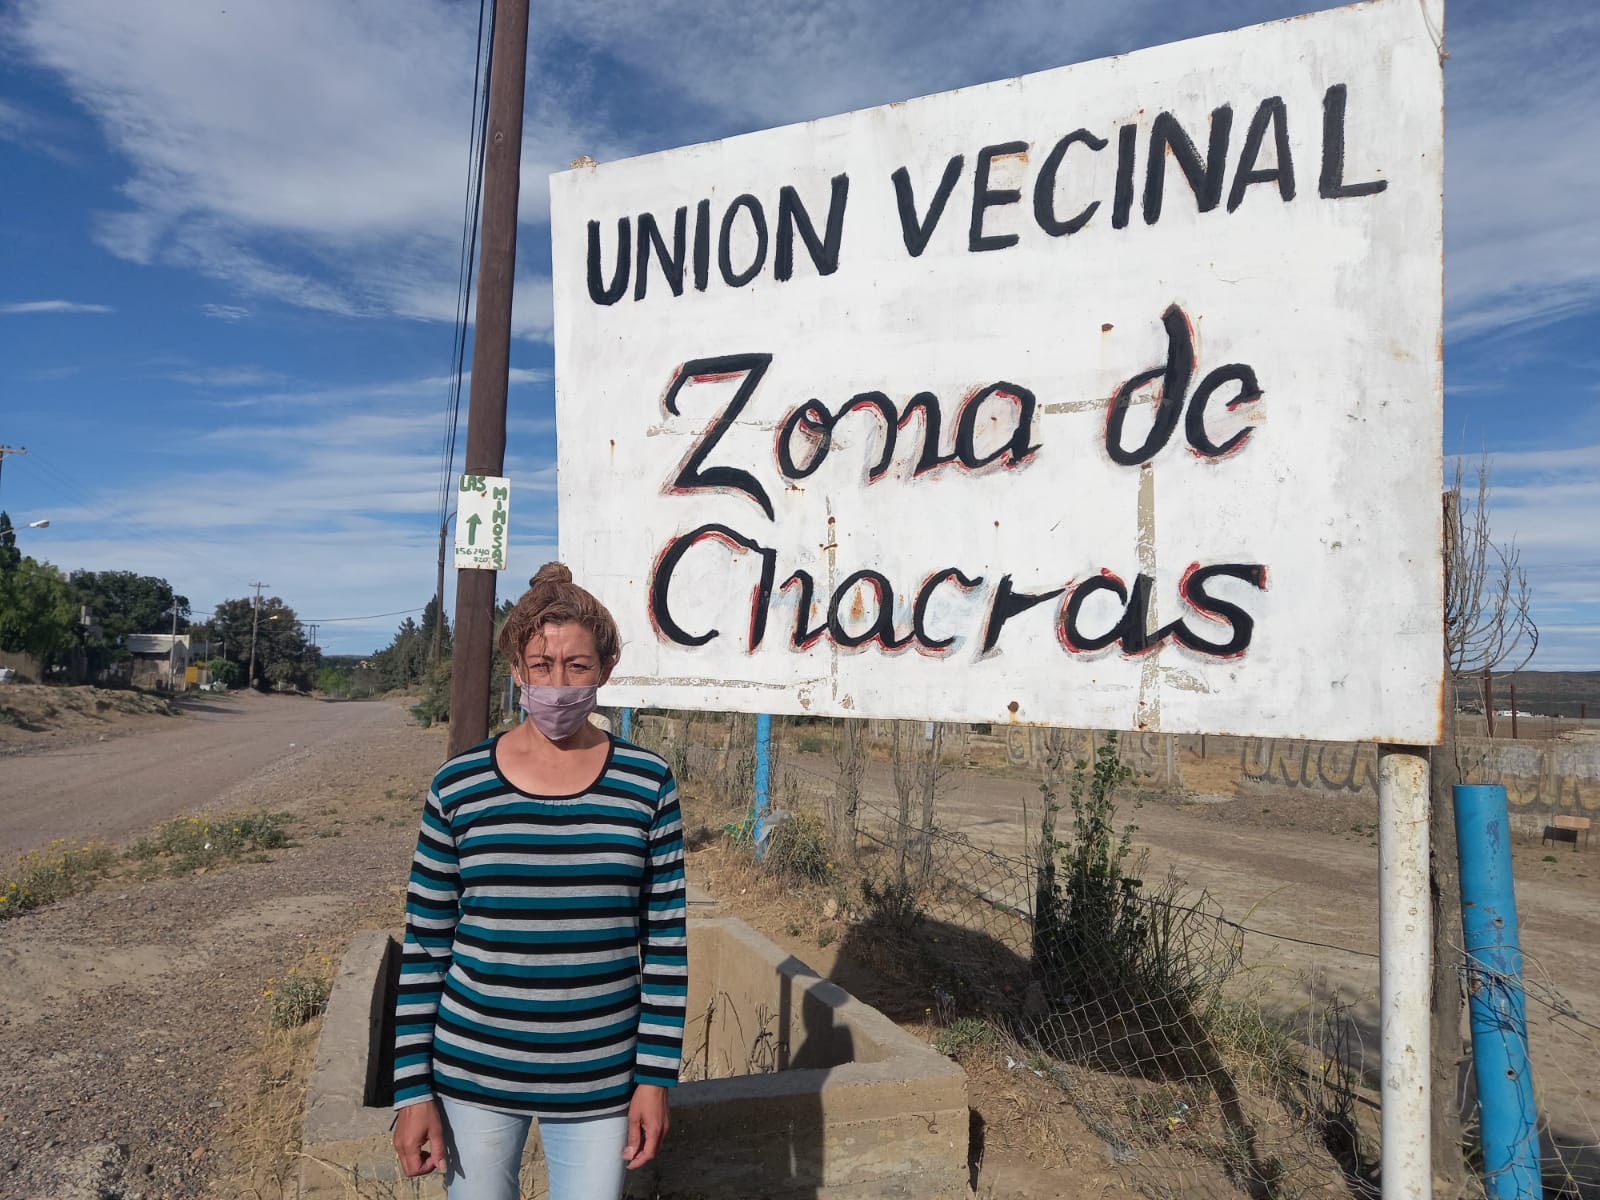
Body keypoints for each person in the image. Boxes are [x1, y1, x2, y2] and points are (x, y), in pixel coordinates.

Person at [392, 563, 687, 1200]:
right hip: (472, 1074)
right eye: (542, 665)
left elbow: (665, 945)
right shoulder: (459, 787)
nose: (559, 684)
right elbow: (424, 947)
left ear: (606, 668)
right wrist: (412, 1089)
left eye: (577, 666)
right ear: (518, 669)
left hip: (601, 1081)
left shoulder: (647, 784)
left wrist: (653, 1079)